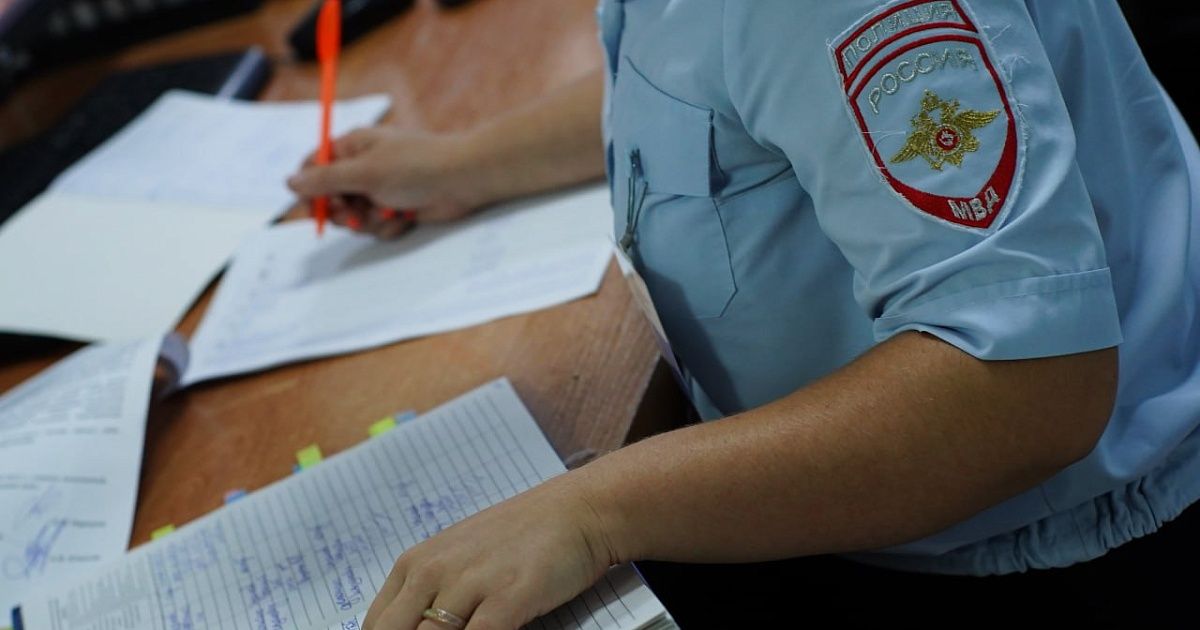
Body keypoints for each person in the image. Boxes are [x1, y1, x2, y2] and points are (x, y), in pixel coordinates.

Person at [287, 1, 1200, 627]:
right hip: (877, 513)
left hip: (1035, 554)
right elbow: (700, 77)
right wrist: (463, 164)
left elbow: (1027, 388)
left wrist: (591, 512)